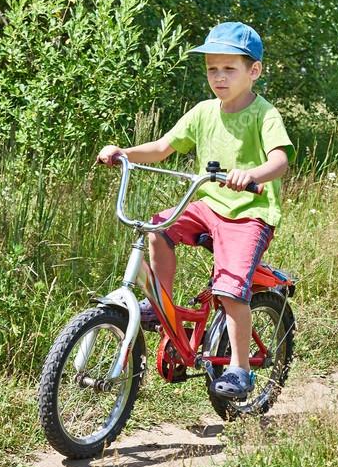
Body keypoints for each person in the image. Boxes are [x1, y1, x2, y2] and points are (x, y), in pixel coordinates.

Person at [96, 21, 294, 400]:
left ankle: (239, 368)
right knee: (157, 227)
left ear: (254, 71)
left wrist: (250, 174)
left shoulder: (265, 115)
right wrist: (124, 152)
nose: (218, 77)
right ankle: (160, 305)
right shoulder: (203, 112)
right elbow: (162, 147)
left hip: (249, 213)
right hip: (208, 206)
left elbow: (280, 160)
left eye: (228, 69)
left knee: (231, 289)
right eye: (211, 69)